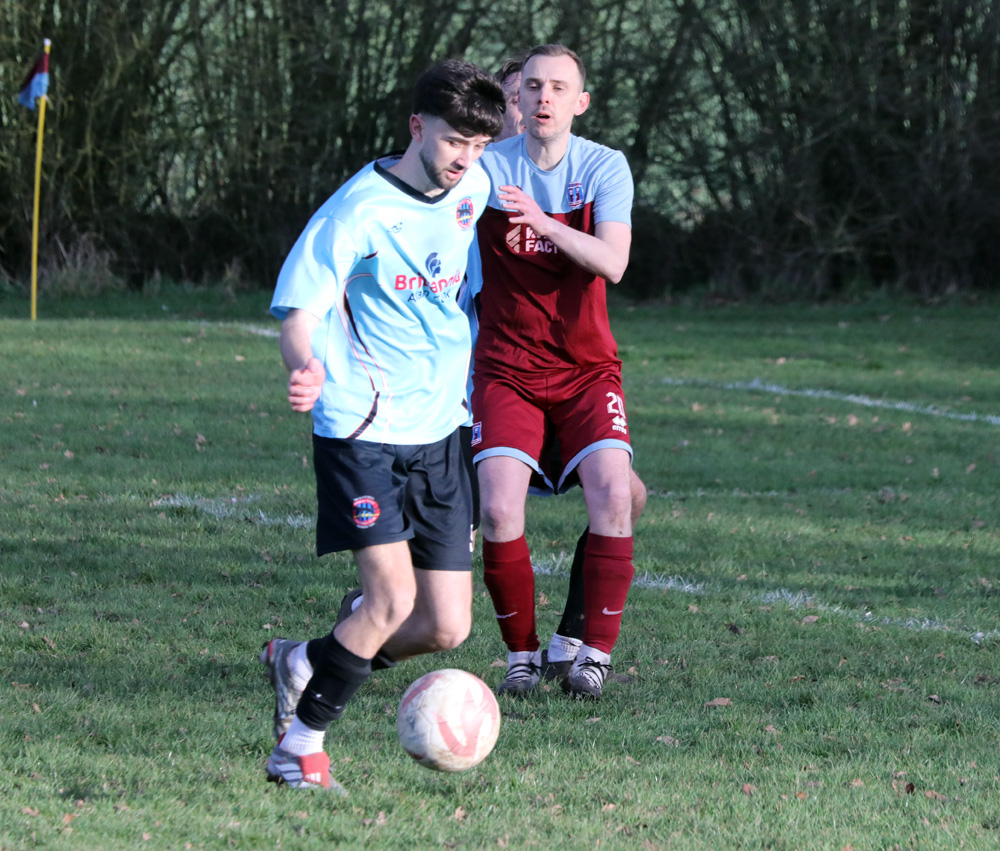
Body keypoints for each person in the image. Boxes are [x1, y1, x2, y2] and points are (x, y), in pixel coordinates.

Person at [260, 59, 505, 792]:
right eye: (455, 140)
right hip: (361, 427)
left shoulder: (474, 186)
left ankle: (305, 658)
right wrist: (304, 365)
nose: (465, 158)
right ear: (417, 126)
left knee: (444, 626)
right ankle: (299, 748)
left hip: (441, 431)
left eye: (479, 145)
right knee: (390, 599)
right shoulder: (357, 211)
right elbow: (300, 311)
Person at [471, 44, 637, 701]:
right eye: (533, 85)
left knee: (619, 495)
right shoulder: (486, 169)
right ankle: (521, 656)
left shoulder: (603, 167)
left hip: (586, 370)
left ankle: (592, 655)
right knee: (496, 507)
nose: (544, 97)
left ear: (580, 102)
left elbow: (613, 262)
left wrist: (543, 222)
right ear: (516, 98)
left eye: (559, 87)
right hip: (506, 368)